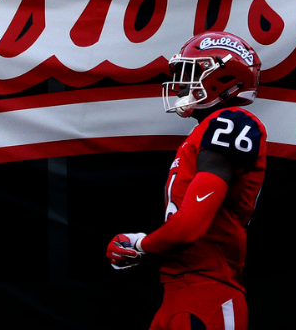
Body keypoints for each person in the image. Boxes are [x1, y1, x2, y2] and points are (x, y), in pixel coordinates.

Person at [106, 31, 266, 330]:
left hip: (209, 292)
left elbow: (190, 227)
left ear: (224, 76)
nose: (180, 84)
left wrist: (141, 244)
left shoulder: (232, 121)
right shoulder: (201, 133)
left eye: (190, 72)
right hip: (177, 290)